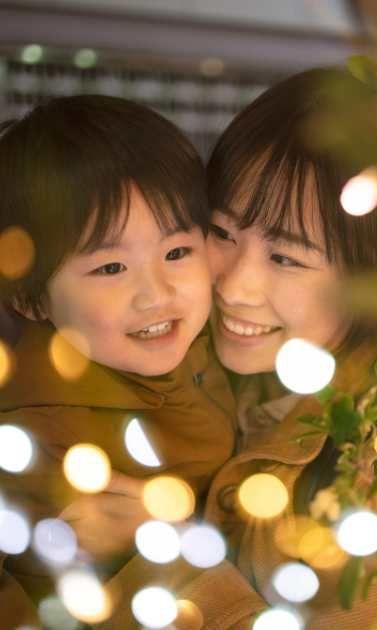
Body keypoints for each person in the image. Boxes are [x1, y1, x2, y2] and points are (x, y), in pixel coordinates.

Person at [196, 68, 377, 627]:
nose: (232, 286)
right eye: (222, 233)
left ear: (372, 282)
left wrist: (143, 560)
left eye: (285, 257)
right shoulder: (184, 367)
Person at [0, 96, 246, 625]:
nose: (155, 293)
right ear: (30, 299)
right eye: (111, 267)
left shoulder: (216, 338)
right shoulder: (34, 435)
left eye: (177, 253)